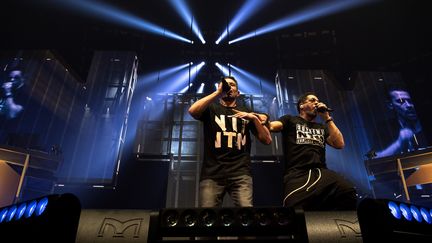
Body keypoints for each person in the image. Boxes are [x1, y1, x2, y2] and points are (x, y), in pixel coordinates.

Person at [188, 76, 272, 207]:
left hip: (241, 172)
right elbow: (192, 111)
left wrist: (254, 119)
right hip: (212, 173)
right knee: (207, 218)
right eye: (225, 85)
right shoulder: (211, 109)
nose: (229, 87)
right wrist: (218, 93)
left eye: (232, 85)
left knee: (246, 216)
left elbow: (267, 140)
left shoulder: (246, 112)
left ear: (238, 93)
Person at [269, 92, 357, 210]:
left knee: (347, 190)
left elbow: (339, 144)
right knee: (294, 210)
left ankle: (333, 224)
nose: (316, 103)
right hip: (297, 173)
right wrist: (262, 120)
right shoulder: (290, 119)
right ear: (301, 105)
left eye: (317, 101)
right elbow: (272, 126)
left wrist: (327, 117)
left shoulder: (322, 127)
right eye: (312, 100)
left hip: (321, 172)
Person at [375, 88, 426, 158]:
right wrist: (399, 143)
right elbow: (372, 156)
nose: (408, 105)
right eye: (401, 101)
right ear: (390, 104)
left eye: (410, 101)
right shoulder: (383, 128)